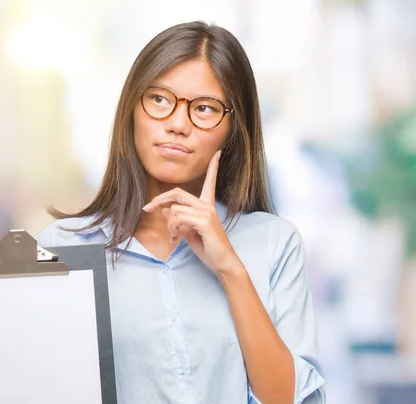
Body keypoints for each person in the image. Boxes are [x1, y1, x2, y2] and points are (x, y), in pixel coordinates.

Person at [36, 21, 326, 404]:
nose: (176, 124)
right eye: (159, 100)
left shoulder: (275, 243)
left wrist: (230, 269)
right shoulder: (64, 248)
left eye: (204, 108)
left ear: (233, 130)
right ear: (131, 110)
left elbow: (286, 399)